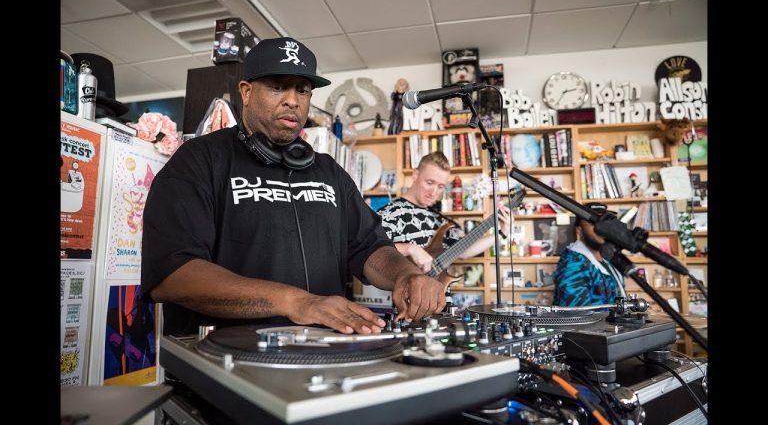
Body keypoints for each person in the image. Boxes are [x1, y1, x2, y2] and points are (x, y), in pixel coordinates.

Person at [140, 37, 445, 336]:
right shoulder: (199, 160)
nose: (292, 100)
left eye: (302, 90)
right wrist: (297, 302)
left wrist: (404, 274)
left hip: (321, 359)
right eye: (277, 86)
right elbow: (172, 274)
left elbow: (370, 247)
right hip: (225, 364)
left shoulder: (330, 173)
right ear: (246, 92)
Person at [377, 151, 512, 281]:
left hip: (443, 300)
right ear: (415, 175)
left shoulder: (440, 220)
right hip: (407, 300)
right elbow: (372, 252)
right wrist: (409, 249)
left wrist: (501, 234)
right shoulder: (390, 213)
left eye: (441, 186)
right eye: (429, 183)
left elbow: (462, 251)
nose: (434, 192)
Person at [552, 203, 627, 307]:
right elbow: (577, 317)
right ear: (579, 230)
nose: (601, 229)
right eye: (593, 223)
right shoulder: (573, 265)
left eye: (604, 223)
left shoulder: (607, 257)